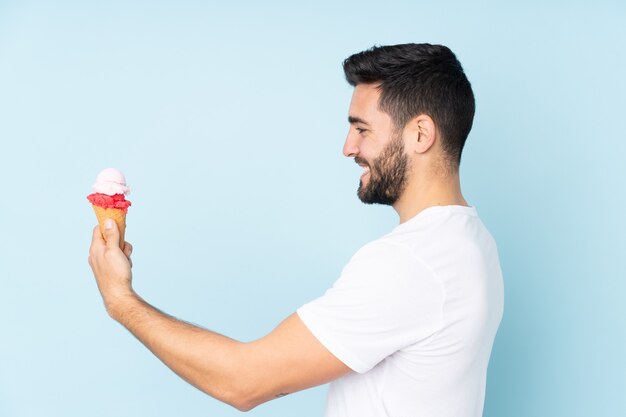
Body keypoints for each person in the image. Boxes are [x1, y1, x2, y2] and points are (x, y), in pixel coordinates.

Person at [89, 43, 504, 417]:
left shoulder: (410, 263)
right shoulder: (472, 242)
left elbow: (244, 382)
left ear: (419, 134)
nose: (348, 147)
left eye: (362, 129)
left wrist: (120, 300)